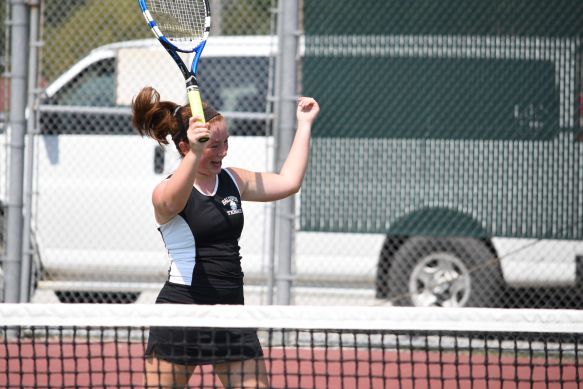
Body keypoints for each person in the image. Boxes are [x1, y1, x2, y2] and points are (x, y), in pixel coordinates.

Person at [131, 86, 320, 388]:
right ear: (185, 146)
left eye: (225, 142)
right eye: (212, 145)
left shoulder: (233, 179)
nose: (223, 151)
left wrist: (305, 125)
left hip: (232, 315)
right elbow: (171, 203)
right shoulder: (166, 192)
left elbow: (289, 182)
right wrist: (194, 153)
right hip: (181, 314)